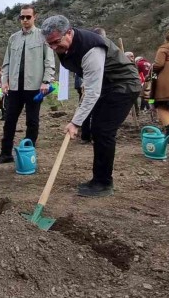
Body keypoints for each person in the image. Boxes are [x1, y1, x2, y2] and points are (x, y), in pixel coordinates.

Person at [41, 15, 140, 197]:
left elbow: (93, 91)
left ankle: (103, 183)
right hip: (106, 85)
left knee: (103, 130)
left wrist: (75, 122)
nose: (54, 48)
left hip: (123, 85)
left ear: (69, 33)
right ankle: (99, 179)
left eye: (56, 42)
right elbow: (90, 83)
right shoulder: (66, 47)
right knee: (98, 129)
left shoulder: (91, 48)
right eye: (50, 44)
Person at [0, 5, 55, 165]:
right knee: (9, 120)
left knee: (32, 121)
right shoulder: (13, 38)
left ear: (35, 17)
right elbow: (6, 62)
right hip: (14, 87)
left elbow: (49, 61)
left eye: (28, 17)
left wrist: (46, 81)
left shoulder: (43, 36)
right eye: (22, 17)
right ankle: (6, 153)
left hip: (34, 87)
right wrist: (4, 81)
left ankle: (28, 154)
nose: (25, 20)